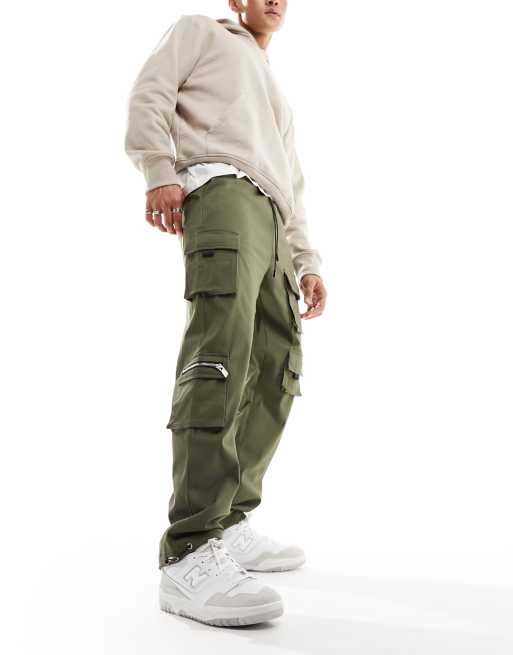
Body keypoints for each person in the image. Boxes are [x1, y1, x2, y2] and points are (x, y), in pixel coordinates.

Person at [124, 0, 327, 627]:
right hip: (222, 189)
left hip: (272, 214)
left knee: (276, 369)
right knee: (220, 357)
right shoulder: (200, 32)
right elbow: (149, 93)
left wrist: (307, 259)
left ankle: (231, 518)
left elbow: (292, 183)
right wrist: (158, 169)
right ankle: (190, 548)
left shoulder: (274, 91)